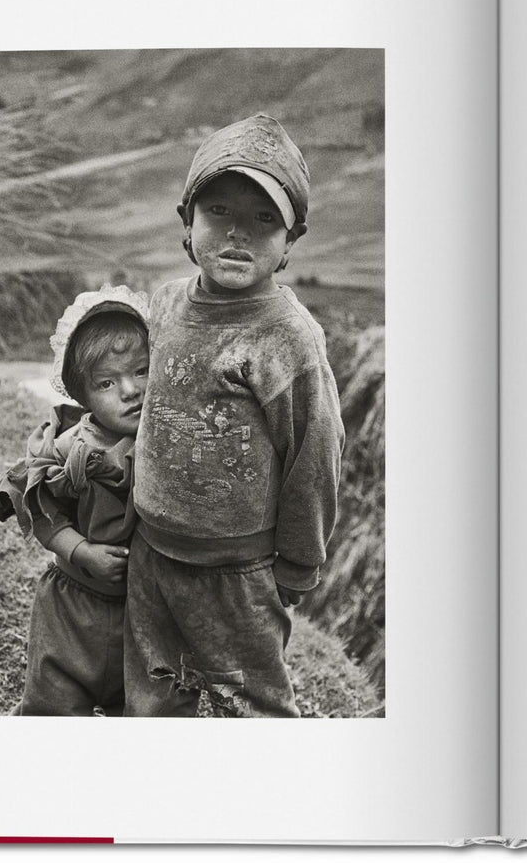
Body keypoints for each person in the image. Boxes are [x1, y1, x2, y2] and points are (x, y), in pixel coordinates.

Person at [125, 113, 344, 718]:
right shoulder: (164, 303)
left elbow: (315, 456)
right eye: (218, 211)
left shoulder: (288, 338)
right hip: (150, 553)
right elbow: (139, 404)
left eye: (263, 219)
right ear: (186, 222)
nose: (236, 234)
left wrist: (298, 563)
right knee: (153, 693)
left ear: (291, 241)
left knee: (248, 703)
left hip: (239, 574)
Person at [0, 285, 150, 716]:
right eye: (107, 382)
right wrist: (82, 552)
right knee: (55, 705)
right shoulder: (69, 449)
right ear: (81, 395)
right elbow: (43, 512)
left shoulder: (171, 439)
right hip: (72, 609)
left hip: (144, 613)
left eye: (142, 371)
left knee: (146, 707)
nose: (130, 390)